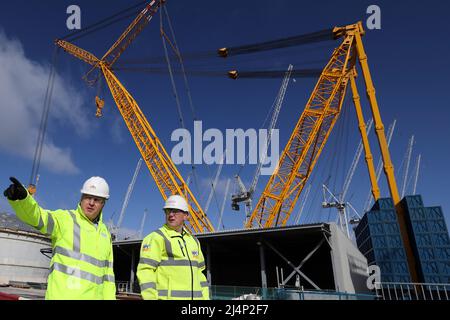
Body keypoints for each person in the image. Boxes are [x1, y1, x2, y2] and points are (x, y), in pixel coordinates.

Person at [3, 176, 116, 300]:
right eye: (87, 197)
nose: (91, 203)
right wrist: (23, 200)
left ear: (103, 204)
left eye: (97, 199)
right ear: (81, 198)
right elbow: (39, 217)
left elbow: (108, 277)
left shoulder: (105, 234)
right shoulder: (65, 220)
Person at [137, 194, 210, 300]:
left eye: (175, 211)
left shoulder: (194, 241)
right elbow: (146, 272)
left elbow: (200, 275)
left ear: (186, 215)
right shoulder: (156, 238)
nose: (171, 214)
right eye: (168, 211)